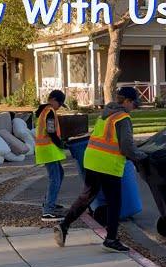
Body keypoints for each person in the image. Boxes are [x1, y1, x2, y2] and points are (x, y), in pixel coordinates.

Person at [54, 87, 147, 252]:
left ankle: (64, 225)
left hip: (91, 160)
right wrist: (141, 157)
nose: (134, 107)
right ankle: (111, 239)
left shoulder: (106, 114)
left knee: (86, 197)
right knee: (115, 202)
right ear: (126, 101)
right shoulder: (122, 118)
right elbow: (126, 147)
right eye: (134, 103)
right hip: (108, 164)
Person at [35, 89, 68, 222]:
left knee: (60, 174)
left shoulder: (46, 110)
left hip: (48, 149)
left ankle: (50, 202)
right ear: (52, 100)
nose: (59, 107)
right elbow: (51, 131)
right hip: (48, 149)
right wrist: (60, 143)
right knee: (55, 178)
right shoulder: (49, 111)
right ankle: (48, 211)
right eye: (59, 103)